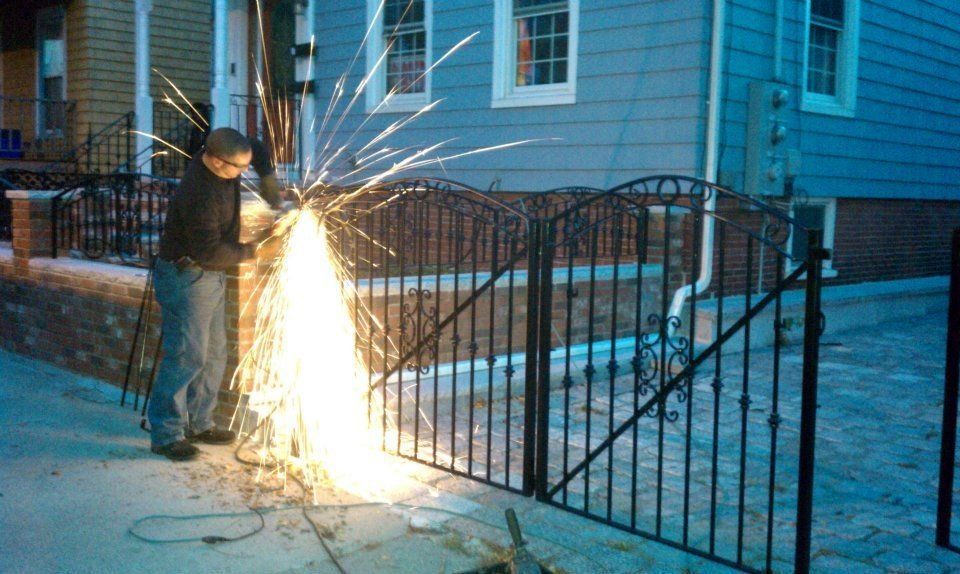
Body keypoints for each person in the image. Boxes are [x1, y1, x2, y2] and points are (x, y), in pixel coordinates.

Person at [148, 127, 279, 461]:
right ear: (219, 163)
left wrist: (269, 179)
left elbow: (257, 149)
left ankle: (199, 422)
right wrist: (256, 251)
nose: (243, 173)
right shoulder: (199, 194)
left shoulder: (226, 156)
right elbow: (209, 251)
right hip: (187, 276)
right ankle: (166, 433)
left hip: (210, 278)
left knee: (215, 352)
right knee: (186, 355)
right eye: (239, 168)